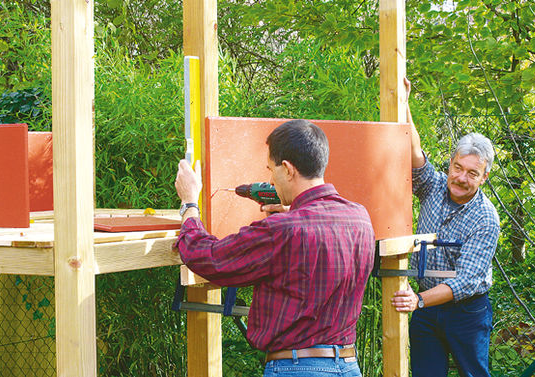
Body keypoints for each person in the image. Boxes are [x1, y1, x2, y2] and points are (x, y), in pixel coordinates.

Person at [174, 119, 375, 377]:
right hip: (348, 366)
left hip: (297, 369)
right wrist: (298, 212)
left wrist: (189, 203)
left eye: (272, 170)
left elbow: (209, 257)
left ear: (288, 169)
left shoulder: (282, 230)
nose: (271, 179)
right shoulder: (360, 218)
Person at [391, 79, 500, 377]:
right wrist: (404, 102)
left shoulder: (485, 218)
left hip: (467, 311)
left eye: (472, 173)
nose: (462, 178)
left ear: (484, 177)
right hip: (425, 309)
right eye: (458, 168)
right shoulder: (434, 187)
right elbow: (414, 156)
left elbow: (466, 280)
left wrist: (419, 300)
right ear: (451, 164)